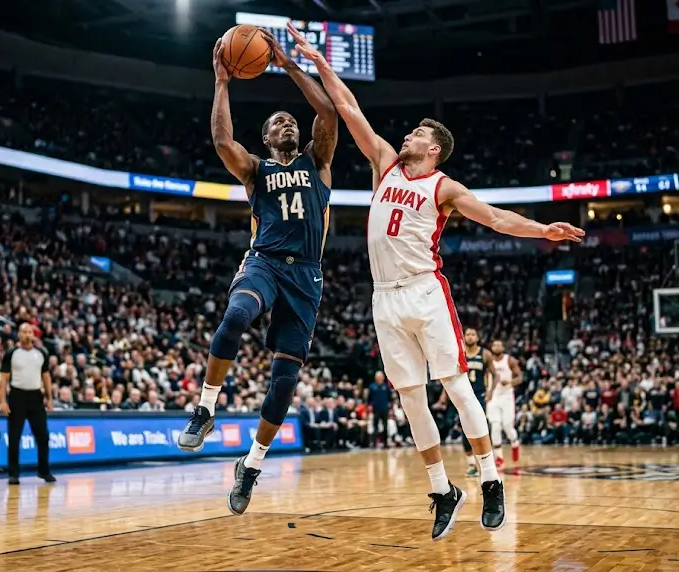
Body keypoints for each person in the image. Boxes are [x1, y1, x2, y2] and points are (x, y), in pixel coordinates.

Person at [284, 22, 584, 540]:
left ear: (434, 149)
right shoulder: (383, 164)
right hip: (385, 299)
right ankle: (443, 489)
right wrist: (316, 60)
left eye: (417, 135)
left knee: (458, 387)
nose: (406, 137)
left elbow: (494, 218)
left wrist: (542, 229)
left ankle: (490, 479)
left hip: (425, 290)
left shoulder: (444, 185)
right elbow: (349, 107)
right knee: (410, 399)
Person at [177, 29, 337, 518]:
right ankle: (205, 408)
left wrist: (289, 65)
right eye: (277, 122)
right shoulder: (255, 171)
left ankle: (251, 464)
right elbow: (222, 139)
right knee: (235, 315)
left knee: (284, 383)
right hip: (264, 261)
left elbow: (327, 114)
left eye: (290, 120)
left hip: (306, 277)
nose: (287, 122)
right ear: (266, 138)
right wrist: (222, 81)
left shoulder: (319, 161)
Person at [0, 323, 55, 485]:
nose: (27, 335)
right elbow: (3, 379)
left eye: (30, 332)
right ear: (19, 335)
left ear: (33, 335)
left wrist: (50, 398)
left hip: (36, 397)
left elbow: (46, 377)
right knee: (15, 437)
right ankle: (14, 474)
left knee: (43, 436)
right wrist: (3, 401)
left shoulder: (41, 353)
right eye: (24, 332)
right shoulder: (11, 353)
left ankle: (44, 471)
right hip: (17, 396)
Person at [459, 329, 497, 476]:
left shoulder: (485, 354)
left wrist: (491, 391)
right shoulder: (460, 353)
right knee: (465, 429)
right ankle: (471, 465)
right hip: (463, 396)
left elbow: (495, 374)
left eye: (473, 334)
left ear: (478, 337)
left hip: (479, 395)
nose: (470, 337)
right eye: (467, 334)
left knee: (482, 427)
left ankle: (487, 463)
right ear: (464, 337)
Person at [488, 339, 523, 467]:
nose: (496, 347)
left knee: (507, 425)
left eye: (499, 345)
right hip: (493, 396)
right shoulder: (488, 359)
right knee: (495, 425)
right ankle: (499, 457)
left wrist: (509, 383)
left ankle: (514, 443)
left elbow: (520, 377)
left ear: (503, 348)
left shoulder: (509, 360)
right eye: (494, 345)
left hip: (507, 395)